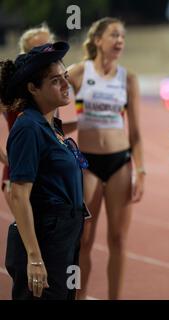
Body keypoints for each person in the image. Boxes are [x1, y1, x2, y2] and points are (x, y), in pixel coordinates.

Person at [0, 41, 88, 299]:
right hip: (45, 239)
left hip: (65, 237)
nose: (64, 84)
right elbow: (19, 196)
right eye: (54, 81)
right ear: (33, 88)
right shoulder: (29, 128)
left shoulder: (52, 126)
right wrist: (35, 258)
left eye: (65, 77)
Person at [67, 17, 145, 300]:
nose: (120, 40)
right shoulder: (77, 73)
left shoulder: (128, 79)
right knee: (83, 241)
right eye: (114, 35)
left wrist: (142, 171)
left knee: (117, 240)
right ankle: (78, 295)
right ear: (98, 39)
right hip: (86, 164)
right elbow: (49, 102)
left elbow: (135, 133)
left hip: (119, 163)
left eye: (123, 36)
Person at [1, 24, 55, 211]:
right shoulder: (14, 89)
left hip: (48, 171)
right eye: (38, 49)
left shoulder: (55, 89)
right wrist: (6, 160)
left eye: (49, 47)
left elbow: (50, 129)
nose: (46, 53)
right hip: (21, 171)